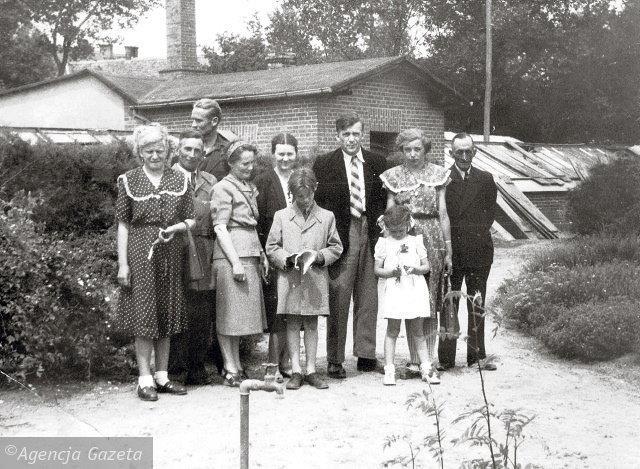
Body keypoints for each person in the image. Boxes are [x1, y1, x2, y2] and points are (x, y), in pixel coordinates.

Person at [115, 124, 195, 401]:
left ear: (168, 150)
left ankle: (163, 377)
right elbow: (123, 225)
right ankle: (144, 379)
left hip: (170, 251)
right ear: (140, 152)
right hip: (140, 252)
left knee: (167, 311)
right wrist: (123, 264)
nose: (155, 155)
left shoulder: (179, 179)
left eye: (159, 150)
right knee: (145, 314)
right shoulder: (129, 180)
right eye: (148, 151)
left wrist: (176, 228)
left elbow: (191, 218)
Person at [313, 112, 388, 379]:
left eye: (356, 133)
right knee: (339, 295)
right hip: (340, 233)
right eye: (346, 134)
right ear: (338, 136)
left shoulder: (378, 162)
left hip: (370, 230)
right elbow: (319, 203)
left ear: (362, 134)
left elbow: (384, 198)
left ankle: (366, 354)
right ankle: (334, 359)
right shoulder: (324, 164)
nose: (351, 139)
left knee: (368, 296)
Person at [380, 128, 452, 378]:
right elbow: (389, 215)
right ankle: (412, 360)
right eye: (407, 150)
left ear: (426, 150)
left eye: (417, 149)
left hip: (431, 237)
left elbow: (442, 213)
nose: (412, 154)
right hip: (403, 236)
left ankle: (427, 360)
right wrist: (390, 248)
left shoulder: (438, 174)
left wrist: (448, 248)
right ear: (401, 151)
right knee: (405, 293)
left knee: (428, 297)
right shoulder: (393, 176)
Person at [266, 167, 343, 390]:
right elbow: (272, 246)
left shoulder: (327, 216)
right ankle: (296, 370)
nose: (304, 200)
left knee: (311, 323)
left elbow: (336, 247)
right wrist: (286, 259)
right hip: (290, 277)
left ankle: (311, 369)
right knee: (292, 322)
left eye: (307, 195)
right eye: (299, 196)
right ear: (292, 194)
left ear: (314, 190)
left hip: (315, 278)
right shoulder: (281, 216)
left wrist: (319, 256)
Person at [211, 141, 269, 386]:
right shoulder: (223, 187)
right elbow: (220, 227)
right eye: (244, 163)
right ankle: (229, 366)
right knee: (228, 315)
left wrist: (262, 255)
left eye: (252, 162)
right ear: (231, 163)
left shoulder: (247, 186)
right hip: (231, 255)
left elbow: (253, 226)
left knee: (238, 317)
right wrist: (234, 262)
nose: (249, 167)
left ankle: (236, 364)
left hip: (250, 251)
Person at [169, 129, 223, 385]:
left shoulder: (210, 181)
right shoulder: (167, 178)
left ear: (203, 153)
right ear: (178, 150)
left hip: (203, 250)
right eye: (187, 149)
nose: (192, 154)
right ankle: (175, 371)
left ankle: (197, 367)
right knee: (177, 308)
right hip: (174, 250)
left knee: (201, 311)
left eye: (197, 150)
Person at [441, 132, 498, 371]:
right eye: (459, 152)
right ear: (451, 153)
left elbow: (489, 215)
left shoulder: (485, 179)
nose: (464, 156)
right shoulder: (443, 179)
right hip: (452, 253)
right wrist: (449, 250)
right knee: (449, 304)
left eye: (468, 151)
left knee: (477, 303)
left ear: (474, 152)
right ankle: (445, 359)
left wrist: (473, 238)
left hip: (478, 252)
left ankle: (477, 356)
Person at [374, 205, 439, 385]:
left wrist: (416, 269)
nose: (396, 233)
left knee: (418, 331)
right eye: (392, 230)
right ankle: (389, 369)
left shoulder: (416, 241)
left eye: (400, 230)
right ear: (386, 227)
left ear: (408, 224)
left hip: (414, 289)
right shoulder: (384, 243)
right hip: (395, 291)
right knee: (392, 331)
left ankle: (425, 368)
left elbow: (427, 267)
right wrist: (390, 273)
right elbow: (377, 270)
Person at [255, 132, 299, 381]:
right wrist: (264, 253)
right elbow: (258, 220)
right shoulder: (263, 181)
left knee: (293, 309)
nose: (285, 158)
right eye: (280, 153)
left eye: (289, 153)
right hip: (272, 252)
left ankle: (288, 361)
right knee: (276, 309)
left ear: (296, 154)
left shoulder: (300, 179)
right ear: (273, 154)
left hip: (296, 253)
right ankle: (272, 363)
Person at [190, 98, 233, 181]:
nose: (193, 125)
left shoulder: (228, 151)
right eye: (193, 120)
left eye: (199, 120)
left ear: (214, 121)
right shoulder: (185, 148)